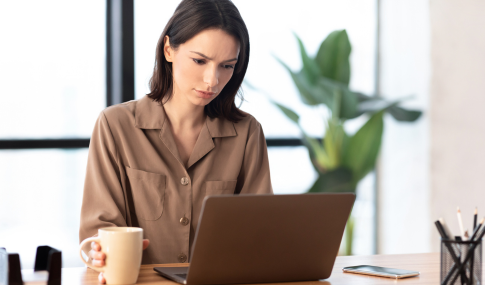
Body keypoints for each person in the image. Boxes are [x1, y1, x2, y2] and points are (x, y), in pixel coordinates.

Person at [79, 0, 273, 283]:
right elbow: (100, 228)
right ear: (169, 49)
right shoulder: (115, 126)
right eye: (200, 60)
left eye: (227, 66)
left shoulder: (247, 133)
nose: (213, 80)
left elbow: (260, 231)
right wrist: (100, 251)